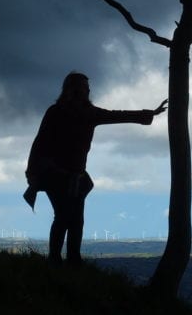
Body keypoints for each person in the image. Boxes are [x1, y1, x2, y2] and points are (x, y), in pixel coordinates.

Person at [24, 72, 166, 265]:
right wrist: (32, 173)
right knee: (64, 216)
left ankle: (72, 259)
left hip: (76, 177)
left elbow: (117, 115)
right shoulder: (56, 112)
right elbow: (39, 143)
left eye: (88, 87)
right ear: (73, 89)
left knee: (75, 220)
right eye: (84, 86)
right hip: (55, 175)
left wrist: (149, 113)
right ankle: (56, 259)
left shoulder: (88, 113)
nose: (88, 90)